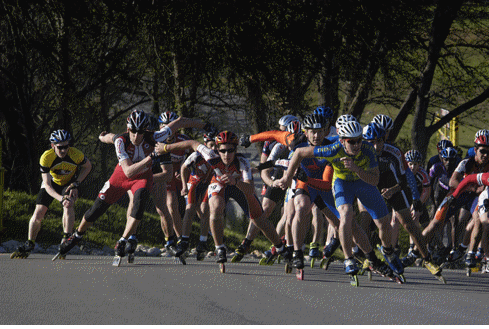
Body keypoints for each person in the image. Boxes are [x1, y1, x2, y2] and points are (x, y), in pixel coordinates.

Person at [56, 110, 213, 258]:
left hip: (142, 177)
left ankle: (124, 240)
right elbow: (128, 171)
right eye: (133, 131)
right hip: (121, 175)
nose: (137, 136)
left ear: (146, 130)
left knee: (139, 202)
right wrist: (103, 138)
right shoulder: (121, 141)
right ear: (127, 128)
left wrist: (206, 126)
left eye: (141, 132)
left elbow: (180, 123)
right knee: (96, 210)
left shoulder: (155, 137)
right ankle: (77, 235)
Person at [273, 119, 404, 277]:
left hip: (364, 182)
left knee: (384, 222)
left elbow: (374, 180)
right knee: (346, 215)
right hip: (342, 183)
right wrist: (287, 178)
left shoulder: (368, 149)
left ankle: (387, 252)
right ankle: (348, 258)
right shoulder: (334, 148)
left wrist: (355, 168)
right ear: (342, 141)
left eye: (359, 140)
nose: (356, 145)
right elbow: (299, 153)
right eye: (352, 142)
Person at [155, 130, 287, 264]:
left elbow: (250, 188)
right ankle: (220, 248)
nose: (227, 155)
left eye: (230, 151)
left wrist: (235, 181)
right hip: (219, 183)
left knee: (259, 220)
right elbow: (192, 143)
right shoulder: (211, 155)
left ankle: (280, 248)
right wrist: (166, 148)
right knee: (215, 207)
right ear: (217, 150)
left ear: (235, 150)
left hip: (239, 186)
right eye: (223, 151)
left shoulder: (242, 161)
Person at [361, 123, 442, 276]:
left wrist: (414, 197)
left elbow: (407, 177)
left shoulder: (394, 152)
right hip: (370, 185)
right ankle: (369, 256)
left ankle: (427, 258)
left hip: (393, 185)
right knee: (367, 219)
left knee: (409, 223)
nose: (377, 146)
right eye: (372, 142)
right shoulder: (360, 151)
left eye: (380, 141)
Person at [11, 130, 92, 259]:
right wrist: (60, 198)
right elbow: (47, 185)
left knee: (69, 204)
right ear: (53, 145)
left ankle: (66, 238)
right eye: (60, 147)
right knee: (39, 211)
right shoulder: (46, 157)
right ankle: (30, 243)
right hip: (52, 183)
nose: (64, 150)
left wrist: (76, 183)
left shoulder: (76, 154)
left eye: (66, 146)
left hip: (69, 182)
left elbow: (88, 166)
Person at [424, 131, 489, 264]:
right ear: (475, 150)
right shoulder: (466, 163)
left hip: (473, 198)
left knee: (477, 219)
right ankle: (415, 251)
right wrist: (473, 188)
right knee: (436, 222)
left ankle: (467, 252)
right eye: (482, 151)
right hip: (457, 194)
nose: (486, 155)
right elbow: (452, 182)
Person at [176, 132, 217, 259]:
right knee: (190, 210)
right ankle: (184, 240)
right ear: (205, 145)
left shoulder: (219, 156)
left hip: (206, 185)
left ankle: (202, 242)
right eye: (211, 145)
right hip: (193, 184)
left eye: (216, 145)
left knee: (205, 212)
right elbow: (183, 168)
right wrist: (183, 186)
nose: (214, 148)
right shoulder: (196, 155)